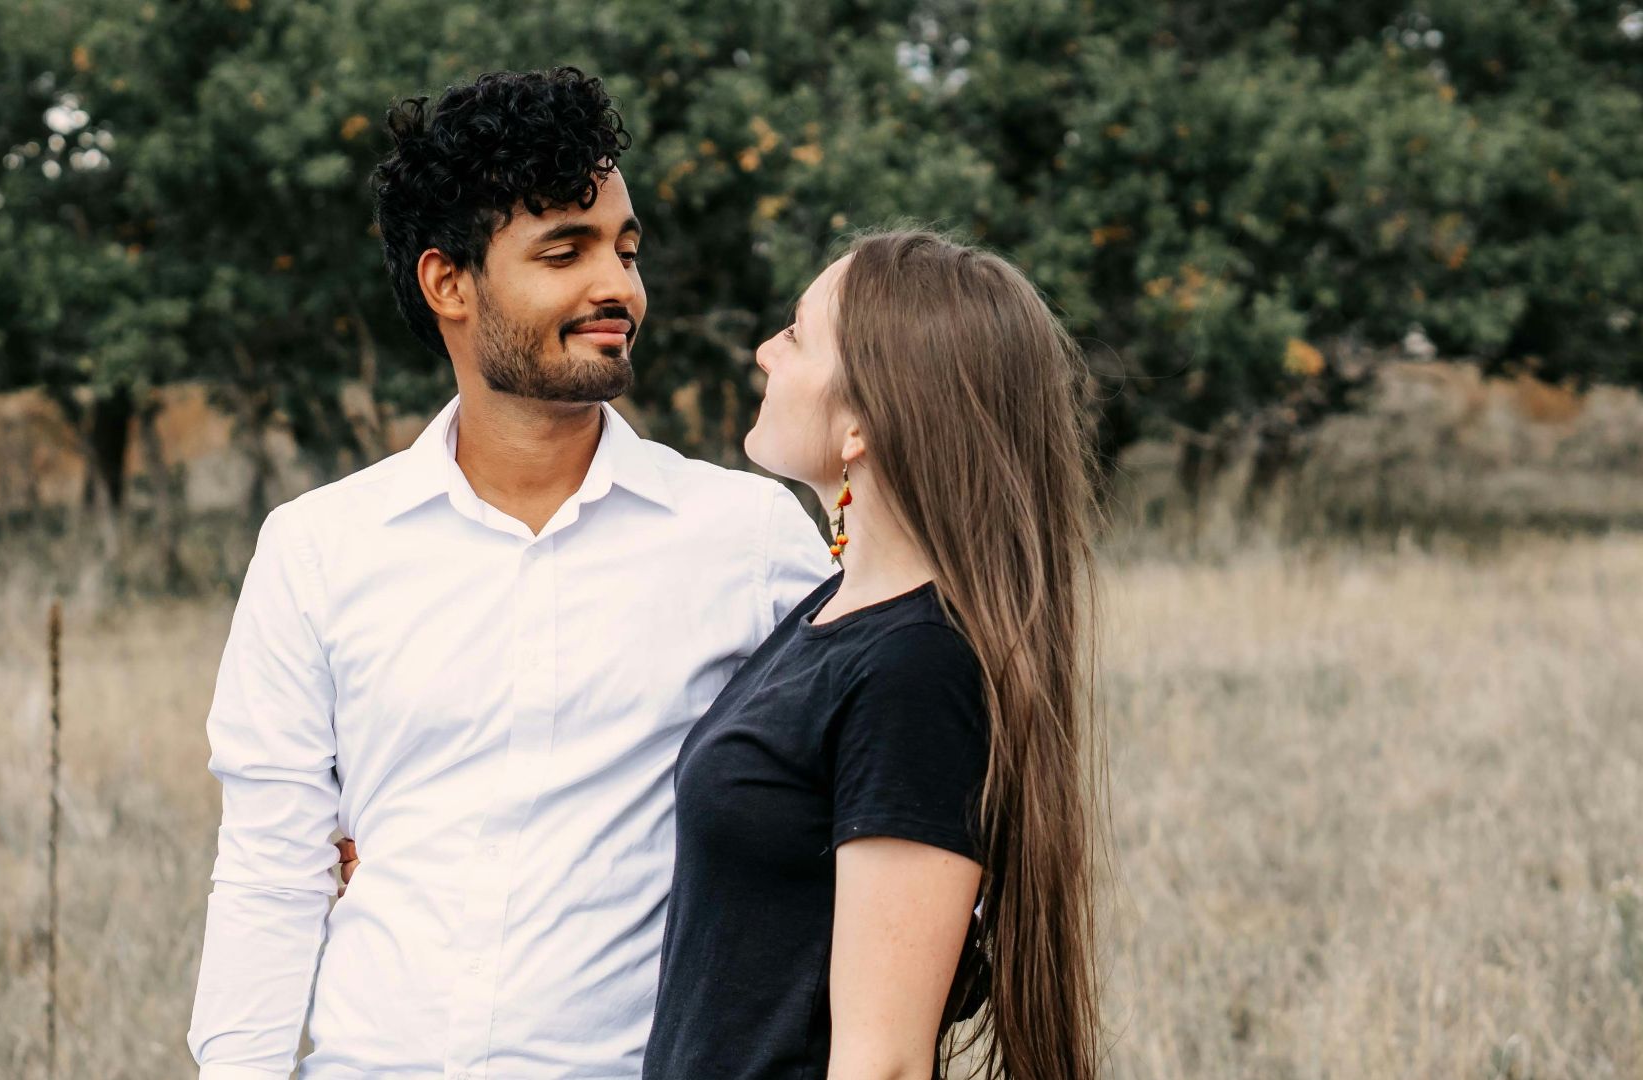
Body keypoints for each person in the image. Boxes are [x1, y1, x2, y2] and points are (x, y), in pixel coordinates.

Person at [184, 68, 832, 1079]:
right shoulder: (318, 549)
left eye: (625, 249)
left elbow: (869, 809)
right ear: (451, 283)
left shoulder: (746, 541)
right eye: (563, 251)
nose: (617, 286)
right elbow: (271, 872)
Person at [638, 230, 1105, 1080]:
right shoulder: (835, 612)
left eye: (796, 335)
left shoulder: (918, 669)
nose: (763, 353)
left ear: (861, 424)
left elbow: (882, 1062)